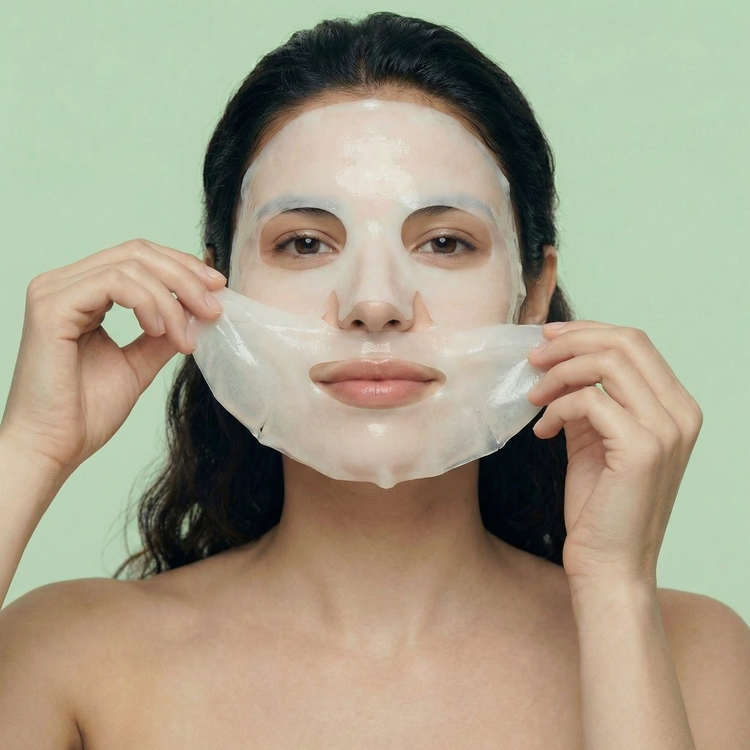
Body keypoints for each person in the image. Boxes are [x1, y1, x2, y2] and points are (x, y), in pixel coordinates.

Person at [0, 11, 748, 749]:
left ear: (533, 294)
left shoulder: (690, 655)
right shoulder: (69, 656)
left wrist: (615, 591)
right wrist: (29, 449)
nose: (375, 303)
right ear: (213, 290)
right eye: (304, 242)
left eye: (446, 242)